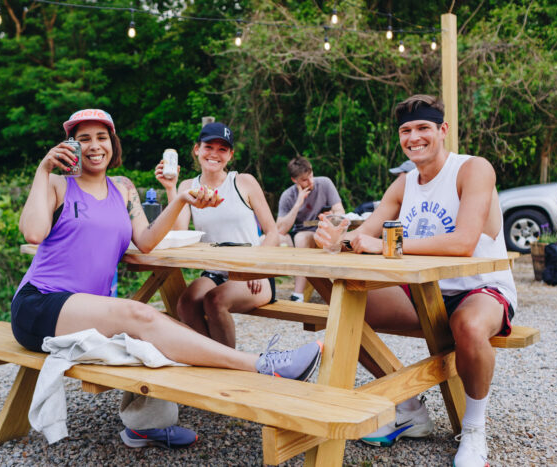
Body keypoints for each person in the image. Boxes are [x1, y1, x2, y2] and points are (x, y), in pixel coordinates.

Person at [12, 110, 322, 449]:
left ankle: (145, 426)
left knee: (158, 328)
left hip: (87, 311)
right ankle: (263, 365)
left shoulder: (124, 189)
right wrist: (43, 170)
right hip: (40, 303)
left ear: (113, 145)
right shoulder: (59, 185)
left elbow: (145, 240)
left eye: (101, 138)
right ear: (70, 146)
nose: (94, 146)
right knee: (141, 315)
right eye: (83, 139)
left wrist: (179, 199)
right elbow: (33, 231)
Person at [315, 95, 517, 467]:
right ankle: (408, 407)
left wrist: (385, 245)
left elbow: (463, 242)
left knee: (468, 326)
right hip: (423, 292)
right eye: (405, 131)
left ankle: (473, 430)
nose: (414, 137)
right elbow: (365, 234)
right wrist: (335, 240)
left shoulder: (473, 169)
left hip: (479, 289)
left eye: (423, 128)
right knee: (342, 305)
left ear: (442, 130)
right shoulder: (403, 184)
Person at [155, 122, 282, 349]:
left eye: (222, 149)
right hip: (214, 272)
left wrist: (256, 268)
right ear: (197, 149)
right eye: (208, 147)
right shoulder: (188, 186)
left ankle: (229, 366)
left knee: (215, 301)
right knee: (185, 303)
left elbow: (273, 232)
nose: (214, 154)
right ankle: (211, 362)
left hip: (252, 274)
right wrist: (171, 189)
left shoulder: (243, 182)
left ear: (230, 155)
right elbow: (179, 234)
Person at [276, 156, 344, 302]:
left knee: (302, 238)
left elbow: (341, 212)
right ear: (295, 180)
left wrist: (332, 216)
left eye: (311, 175)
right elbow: (280, 230)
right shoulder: (288, 196)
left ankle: (298, 294)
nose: (311, 182)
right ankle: (263, 288)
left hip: (319, 233)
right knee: (265, 239)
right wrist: (298, 203)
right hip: (295, 234)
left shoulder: (325, 183)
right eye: (305, 180)